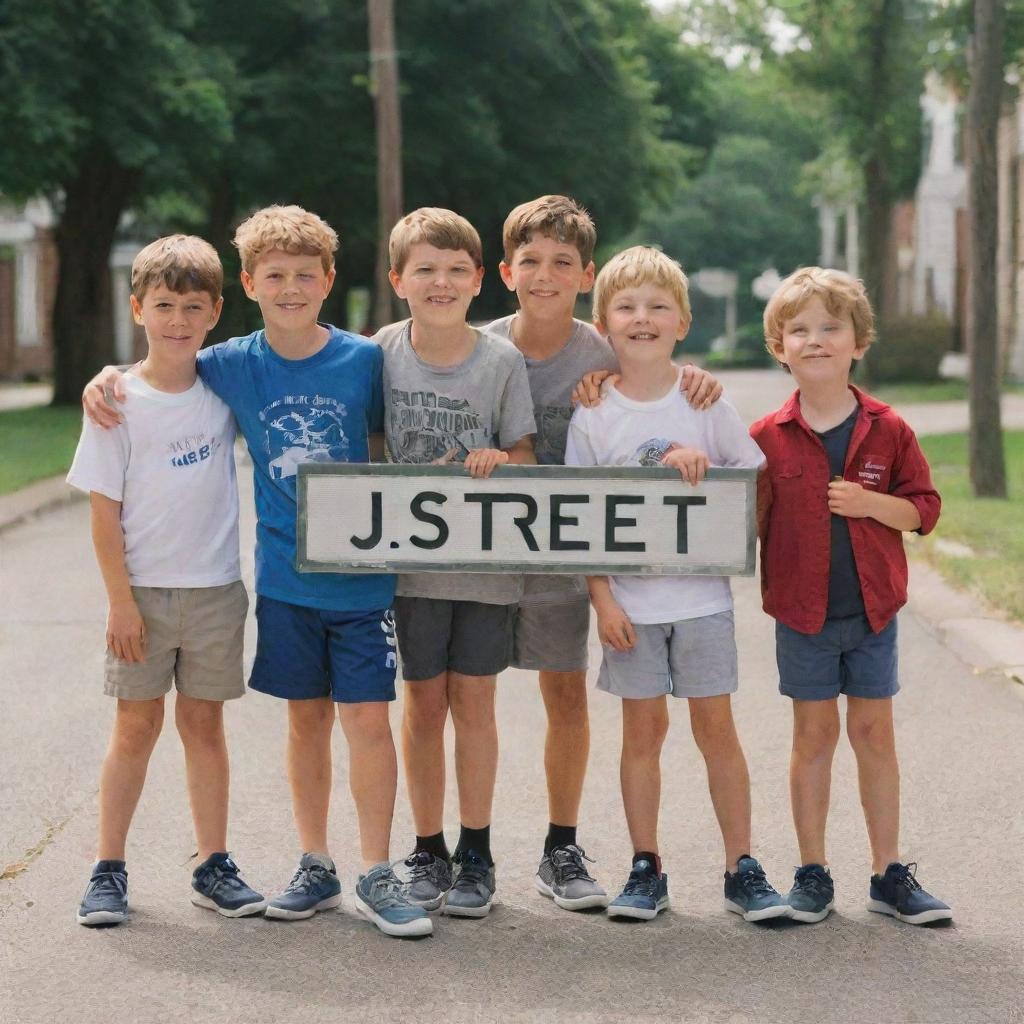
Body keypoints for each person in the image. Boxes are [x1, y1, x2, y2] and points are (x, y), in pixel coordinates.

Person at [81, 207, 431, 938]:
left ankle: (375, 869)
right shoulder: (229, 364)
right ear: (248, 285)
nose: (292, 287)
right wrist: (104, 376)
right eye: (276, 276)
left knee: (368, 720)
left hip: (364, 581)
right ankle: (315, 863)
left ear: (329, 280)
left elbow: (397, 422)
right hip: (284, 584)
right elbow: (160, 368)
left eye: (307, 275)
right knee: (303, 719)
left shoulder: (366, 359)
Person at [486, 195, 722, 910]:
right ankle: (460, 849)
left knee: (564, 694)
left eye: (563, 262)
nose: (546, 275)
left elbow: (663, 376)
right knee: (462, 696)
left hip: (572, 553)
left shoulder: (602, 349)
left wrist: (700, 380)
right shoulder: (479, 345)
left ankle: (561, 847)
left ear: (585, 275)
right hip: (484, 548)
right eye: (531, 261)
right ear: (506, 271)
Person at [565, 246, 787, 923]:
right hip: (629, 604)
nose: (642, 318)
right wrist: (601, 599)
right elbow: (578, 517)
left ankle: (741, 866)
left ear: (682, 322)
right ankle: (644, 865)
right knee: (642, 732)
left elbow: (748, 480)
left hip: (700, 602)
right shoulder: (594, 414)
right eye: (627, 308)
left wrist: (704, 470)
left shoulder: (705, 402)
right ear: (603, 324)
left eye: (658, 307)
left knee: (716, 729)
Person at [70, 235, 265, 926]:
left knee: (204, 726)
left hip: (216, 590)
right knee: (135, 726)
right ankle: (108, 868)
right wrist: (119, 601)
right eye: (163, 306)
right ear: (138, 308)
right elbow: (103, 510)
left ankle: (213, 864)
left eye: (192, 306)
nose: (177, 320)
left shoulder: (224, 388)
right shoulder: (118, 400)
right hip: (143, 595)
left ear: (215, 310)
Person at [751, 267, 952, 925]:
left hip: (872, 613)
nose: (815, 340)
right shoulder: (766, 437)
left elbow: (924, 510)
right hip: (802, 616)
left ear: (858, 342)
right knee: (812, 737)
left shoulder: (887, 429)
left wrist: (871, 504)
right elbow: (735, 520)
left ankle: (888, 873)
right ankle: (812, 873)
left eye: (831, 327)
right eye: (799, 329)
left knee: (873, 734)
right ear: (779, 346)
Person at [374, 208, 536, 918]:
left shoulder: (500, 360)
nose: (440, 282)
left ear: (477, 280)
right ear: (398, 280)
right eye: (425, 270)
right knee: (421, 706)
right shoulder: (380, 351)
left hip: (483, 568)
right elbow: (369, 447)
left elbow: (525, 454)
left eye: (455, 270)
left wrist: (500, 458)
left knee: (474, 704)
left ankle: (477, 849)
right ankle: (428, 846)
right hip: (408, 572)